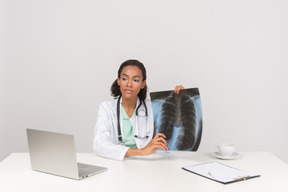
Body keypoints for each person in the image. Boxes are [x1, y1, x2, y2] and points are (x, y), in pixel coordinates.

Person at [93, 59, 184, 161]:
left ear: (143, 84)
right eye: (124, 79)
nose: (129, 84)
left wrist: (178, 103)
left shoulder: (152, 107)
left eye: (135, 80)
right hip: (117, 164)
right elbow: (99, 145)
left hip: (147, 164)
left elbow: (176, 126)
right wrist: (141, 151)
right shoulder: (107, 108)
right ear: (118, 81)